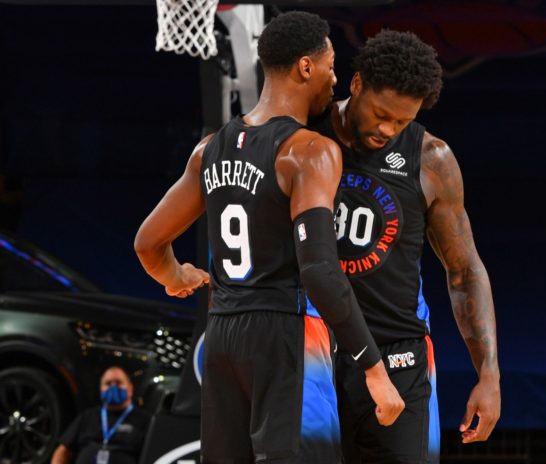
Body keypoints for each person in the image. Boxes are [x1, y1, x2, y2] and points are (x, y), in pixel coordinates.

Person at [133, 11, 404, 464]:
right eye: (331, 65)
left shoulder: (210, 147)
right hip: (285, 334)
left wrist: (175, 275)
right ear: (305, 67)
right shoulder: (309, 151)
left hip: (223, 336)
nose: (335, 78)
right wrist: (374, 368)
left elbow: (147, 242)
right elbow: (319, 271)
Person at [311, 29, 502, 463]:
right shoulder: (304, 135)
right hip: (314, 353)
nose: (386, 129)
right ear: (356, 83)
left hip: (398, 357)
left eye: (400, 121)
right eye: (380, 114)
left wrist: (488, 373)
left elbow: (464, 270)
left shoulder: (431, 159)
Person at [51, 366, 152, 464]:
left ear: (130, 389)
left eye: (118, 383)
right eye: (108, 383)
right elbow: (62, 451)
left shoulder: (145, 420)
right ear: (101, 389)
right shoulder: (87, 416)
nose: (113, 387)